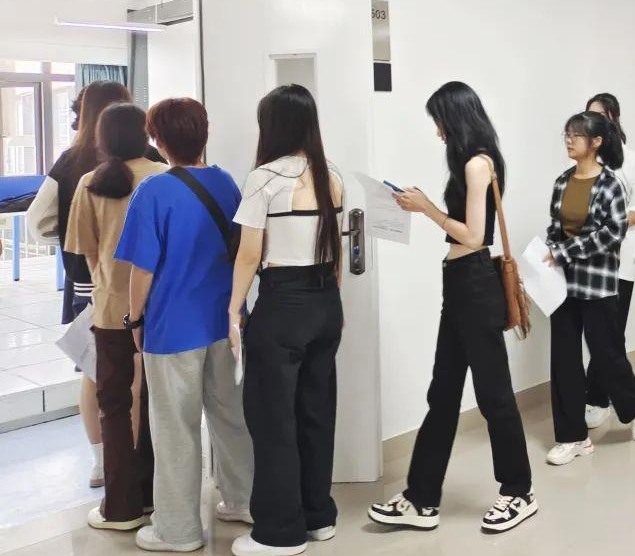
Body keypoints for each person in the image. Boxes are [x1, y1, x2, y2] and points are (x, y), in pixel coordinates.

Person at [368, 82, 536, 534]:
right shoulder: (469, 162)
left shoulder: (479, 163)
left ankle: (519, 491)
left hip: (475, 284)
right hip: (460, 285)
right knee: (442, 395)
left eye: (440, 120)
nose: (438, 130)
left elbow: (475, 236)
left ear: (456, 118)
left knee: (494, 394)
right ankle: (421, 498)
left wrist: (426, 208)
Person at [114, 98, 254, 553]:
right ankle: (244, 501)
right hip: (225, 322)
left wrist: (135, 319)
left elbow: (142, 269)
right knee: (231, 417)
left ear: (157, 139)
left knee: (176, 428)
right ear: (204, 134)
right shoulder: (227, 184)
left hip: (173, 328)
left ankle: (178, 530)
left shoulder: (153, 191)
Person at [229, 85, 346, 555]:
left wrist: (234, 309)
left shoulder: (264, 178)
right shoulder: (332, 175)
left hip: (283, 305)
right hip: (326, 303)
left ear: (272, 126)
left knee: (273, 418)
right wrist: (334, 305)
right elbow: (337, 251)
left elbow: (248, 255)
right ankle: (318, 516)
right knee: (316, 412)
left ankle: (279, 533)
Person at [66, 103, 168, 531]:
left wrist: (108, 282)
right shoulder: (164, 177)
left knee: (114, 405)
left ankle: (121, 508)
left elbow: (87, 252)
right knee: (157, 403)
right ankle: (153, 496)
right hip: (162, 308)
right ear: (145, 134)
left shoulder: (91, 183)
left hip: (112, 310)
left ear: (102, 139)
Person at [27, 80, 132, 489]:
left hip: (87, 282)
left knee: (95, 372)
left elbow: (38, 222)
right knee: (139, 373)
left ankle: (102, 463)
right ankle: (134, 456)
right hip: (139, 280)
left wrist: (74, 238)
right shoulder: (148, 159)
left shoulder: (70, 163)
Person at [543, 111, 635, 465]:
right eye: (566, 134)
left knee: (606, 356)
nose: (568, 140)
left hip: (598, 283)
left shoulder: (610, 185)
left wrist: (563, 252)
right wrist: (549, 249)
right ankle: (572, 437)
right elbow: (555, 227)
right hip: (563, 285)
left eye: (575, 135)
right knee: (563, 360)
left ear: (596, 142)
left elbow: (611, 234)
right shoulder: (562, 182)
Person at [583, 93, 635, 430]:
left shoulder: (631, 161)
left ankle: (623, 400)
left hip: (620, 260)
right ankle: (602, 397)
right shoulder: (587, 160)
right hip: (589, 262)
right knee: (602, 336)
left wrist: (608, 227)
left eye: (596, 116)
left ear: (612, 117)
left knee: (609, 336)